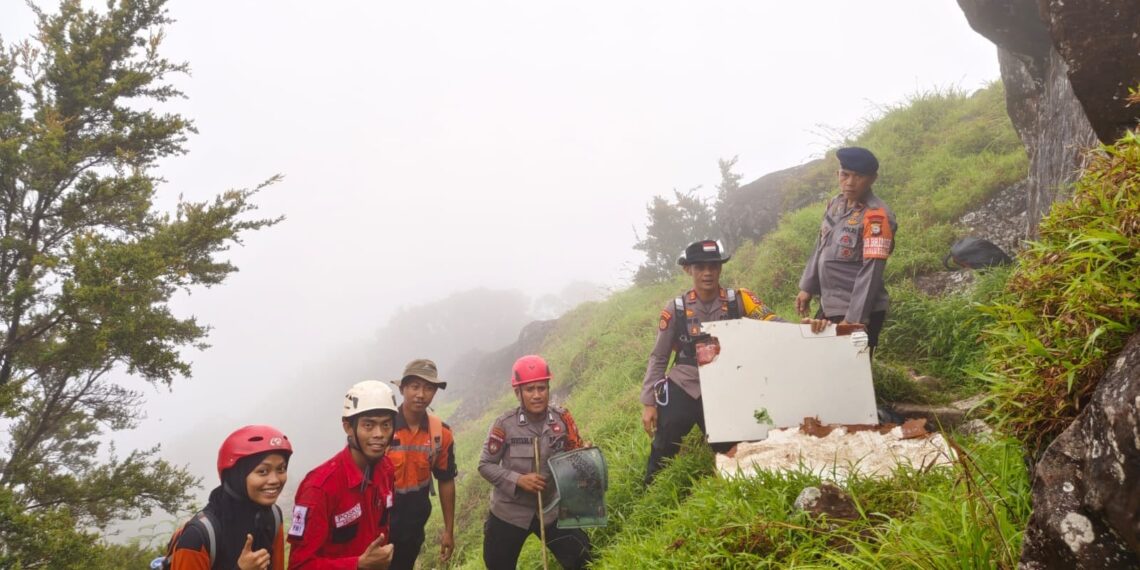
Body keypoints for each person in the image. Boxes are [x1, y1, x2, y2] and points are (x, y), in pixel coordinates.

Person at [641, 239, 828, 485]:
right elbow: (659, 356)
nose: (707, 273)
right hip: (685, 385)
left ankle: (737, 485)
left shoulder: (739, 299)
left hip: (725, 387)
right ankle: (649, 490)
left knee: (732, 449)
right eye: (700, 267)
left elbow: (773, 322)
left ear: (720, 268)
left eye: (713, 266)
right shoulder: (676, 308)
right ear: (688, 270)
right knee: (664, 445)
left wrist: (803, 328)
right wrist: (649, 403)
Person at [478, 355, 592, 570]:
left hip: (551, 508)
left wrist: (583, 454)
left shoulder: (562, 419)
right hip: (508, 512)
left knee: (583, 558)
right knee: (497, 565)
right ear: (518, 393)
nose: (537, 395)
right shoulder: (504, 425)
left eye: (542, 388)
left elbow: (573, 453)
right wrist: (518, 480)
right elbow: (485, 465)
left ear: (548, 388)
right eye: (530, 389)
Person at [795, 146, 897, 357]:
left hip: (857, 309)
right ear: (838, 174)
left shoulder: (876, 216)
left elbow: (872, 272)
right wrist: (807, 287)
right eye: (845, 175)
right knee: (818, 361)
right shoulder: (835, 204)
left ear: (872, 179)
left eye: (858, 176)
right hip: (830, 304)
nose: (850, 182)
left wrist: (853, 320)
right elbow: (821, 245)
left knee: (851, 369)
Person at [287, 381, 399, 570]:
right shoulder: (319, 488)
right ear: (348, 427)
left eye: (386, 425)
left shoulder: (386, 469)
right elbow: (299, 565)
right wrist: (358, 564)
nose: (379, 434)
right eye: (368, 425)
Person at [168, 425, 292, 570]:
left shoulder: (273, 516)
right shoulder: (197, 537)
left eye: (281, 469)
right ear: (236, 475)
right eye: (263, 471)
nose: (275, 480)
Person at [387, 359, 457, 569]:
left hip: (413, 526)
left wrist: (448, 530)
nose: (421, 394)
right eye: (414, 387)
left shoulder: (441, 434)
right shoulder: (383, 427)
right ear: (402, 389)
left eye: (428, 388)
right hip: (379, 524)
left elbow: (446, 480)